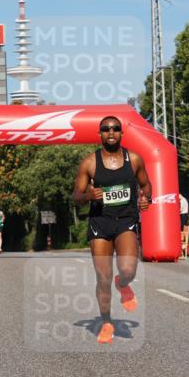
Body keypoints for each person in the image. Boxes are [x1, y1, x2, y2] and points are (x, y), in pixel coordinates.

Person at [72, 116, 152, 344]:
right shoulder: (90, 163)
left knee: (127, 269)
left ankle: (123, 283)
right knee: (103, 276)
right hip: (100, 222)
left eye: (115, 128)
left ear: (121, 133)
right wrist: (88, 195)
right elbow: (76, 196)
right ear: (100, 134)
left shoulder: (134, 159)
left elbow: (146, 185)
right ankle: (106, 321)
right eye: (106, 129)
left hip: (126, 219)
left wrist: (147, 198)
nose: (111, 132)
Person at [178, 193, 189, 258]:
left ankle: (181, 235)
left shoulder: (182, 201)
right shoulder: (184, 200)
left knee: (181, 226)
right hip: (184, 214)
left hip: (183, 214)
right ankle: (181, 234)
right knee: (182, 225)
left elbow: (180, 209)